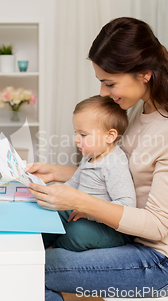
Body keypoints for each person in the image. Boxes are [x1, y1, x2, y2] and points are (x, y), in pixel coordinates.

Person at [27, 17, 168, 301]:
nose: (103, 93)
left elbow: (158, 226)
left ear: (144, 73)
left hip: (161, 260)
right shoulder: (141, 110)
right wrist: (58, 172)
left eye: (109, 83)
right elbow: (124, 176)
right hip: (131, 240)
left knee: (30, 269)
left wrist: (78, 200)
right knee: (32, 243)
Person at [43, 95, 136, 252]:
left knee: (77, 232)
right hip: (85, 214)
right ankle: (38, 242)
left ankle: (52, 250)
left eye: (83, 135)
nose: (76, 140)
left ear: (110, 136)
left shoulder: (115, 163)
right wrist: (53, 194)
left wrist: (89, 213)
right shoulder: (90, 156)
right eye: (76, 133)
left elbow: (127, 206)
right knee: (52, 211)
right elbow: (73, 184)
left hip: (110, 227)